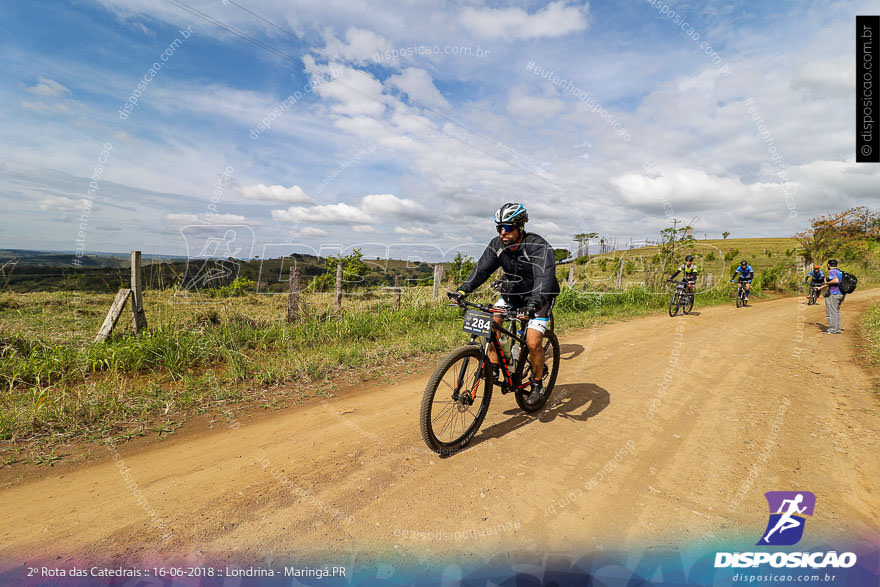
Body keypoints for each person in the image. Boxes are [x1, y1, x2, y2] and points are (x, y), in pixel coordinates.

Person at [449, 202, 560, 402]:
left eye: (507, 228)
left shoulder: (538, 246)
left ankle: (537, 383)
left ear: (520, 227)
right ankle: (494, 367)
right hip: (513, 294)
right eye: (499, 228)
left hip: (540, 296)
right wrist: (462, 290)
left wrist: (532, 305)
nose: (502, 232)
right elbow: (481, 270)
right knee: (491, 324)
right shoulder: (497, 246)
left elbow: (544, 279)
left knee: (533, 341)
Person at [817, 259, 844, 334]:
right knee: (836, 311)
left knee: (832, 312)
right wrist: (820, 287)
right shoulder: (840, 272)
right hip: (841, 293)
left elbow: (835, 281)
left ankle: (832, 329)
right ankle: (837, 329)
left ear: (828, 265)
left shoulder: (832, 271)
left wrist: (827, 282)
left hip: (834, 294)